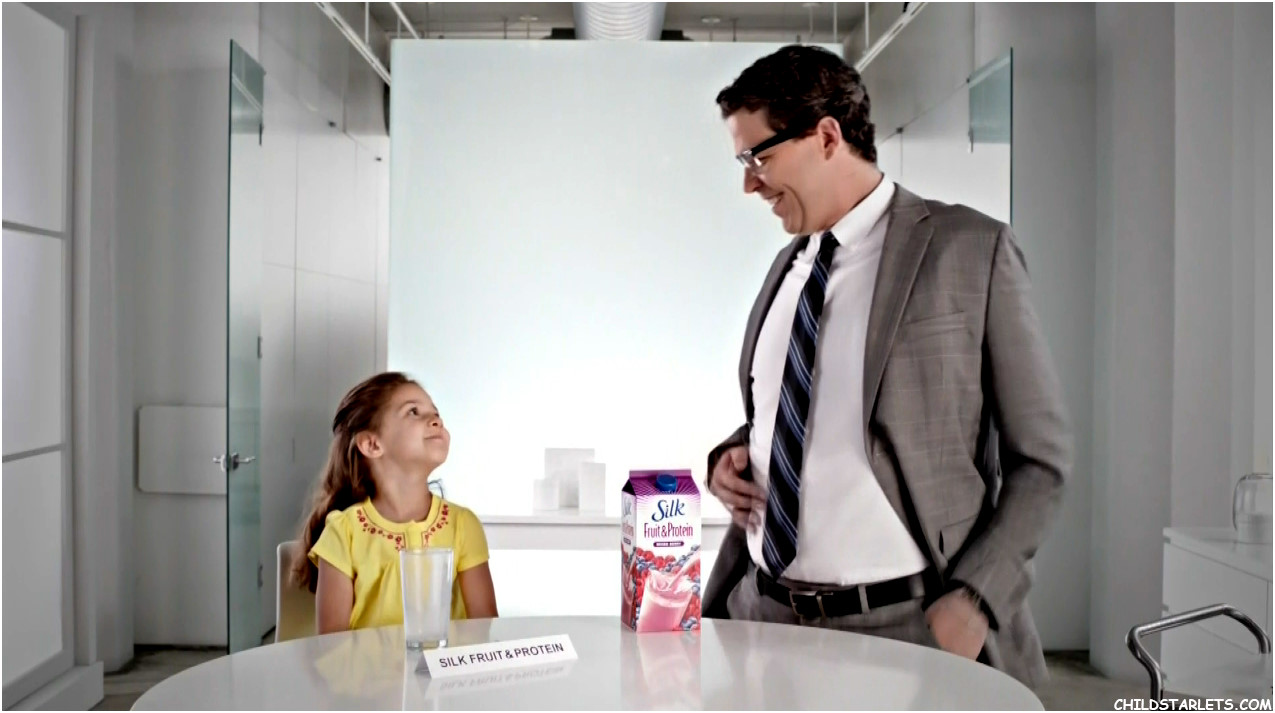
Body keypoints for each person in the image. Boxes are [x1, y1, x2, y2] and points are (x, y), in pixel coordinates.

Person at [701, 45, 1070, 687]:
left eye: (758, 156)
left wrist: (976, 599)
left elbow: (1041, 461)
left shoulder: (970, 250)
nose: (749, 183)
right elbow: (801, 411)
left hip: (907, 629)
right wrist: (733, 457)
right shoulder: (787, 269)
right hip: (760, 618)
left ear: (826, 136)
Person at [293, 372, 499, 633]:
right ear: (372, 444)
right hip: (364, 664)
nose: (436, 420)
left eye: (435, 413)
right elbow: (332, 645)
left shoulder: (463, 524)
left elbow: (484, 632)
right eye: (413, 411)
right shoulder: (343, 532)